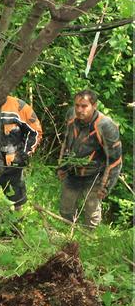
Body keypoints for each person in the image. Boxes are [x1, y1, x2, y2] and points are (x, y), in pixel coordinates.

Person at [57, 89, 122, 228]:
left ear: (94, 105)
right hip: (72, 171)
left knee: (91, 215)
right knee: (65, 210)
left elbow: (115, 160)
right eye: (77, 105)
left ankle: (88, 242)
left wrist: (105, 187)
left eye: (84, 106)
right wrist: (62, 166)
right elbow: (66, 142)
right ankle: (67, 238)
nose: (80, 110)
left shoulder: (106, 126)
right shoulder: (71, 116)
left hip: (94, 176)